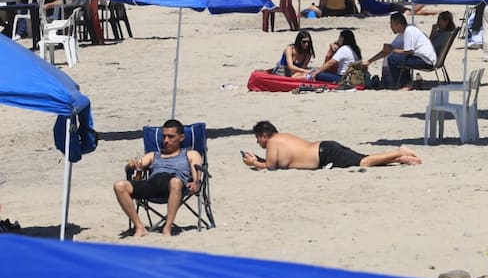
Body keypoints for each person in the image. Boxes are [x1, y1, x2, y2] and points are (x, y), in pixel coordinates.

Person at [113, 119, 203, 237]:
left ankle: (167, 227)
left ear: (181, 138)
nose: (166, 140)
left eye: (171, 137)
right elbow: (137, 167)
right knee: (119, 186)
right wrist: (130, 166)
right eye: (164, 136)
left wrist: (196, 183)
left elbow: (197, 178)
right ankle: (139, 227)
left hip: (175, 185)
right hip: (153, 184)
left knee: (175, 182)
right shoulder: (153, 155)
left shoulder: (190, 154)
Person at [242, 121, 421, 170]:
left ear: (264, 135)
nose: (258, 143)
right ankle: (400, 158)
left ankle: (399, 151)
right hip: (324, 150)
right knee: (364, 159)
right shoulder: (282, 138)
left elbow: (271, 167)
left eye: (258, 139)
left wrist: (254, 163)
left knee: (364, 162)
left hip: (324, 155)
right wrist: (258, 159)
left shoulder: (273, 141)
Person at [366, 11, 437, 90]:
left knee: (392, 58)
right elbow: (387, 51)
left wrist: (392, 50)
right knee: (396, 57)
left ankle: (405, 84)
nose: (391, 27)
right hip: (420, 58)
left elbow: (409, 51)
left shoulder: (409, 31)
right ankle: (406, 82)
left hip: (425, 61)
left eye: (391, 24)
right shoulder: (403, 33)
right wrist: (369, 61)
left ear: (398, 25)